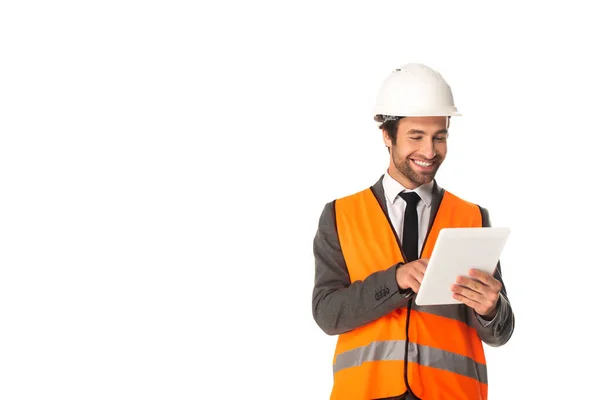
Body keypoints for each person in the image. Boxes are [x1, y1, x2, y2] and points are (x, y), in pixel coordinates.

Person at [311, 63, 515, 400]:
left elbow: (500, 332)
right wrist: (396, 280)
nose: (430, 151)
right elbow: (327, 314)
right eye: (416, 137)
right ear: (387, 137)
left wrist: (492, 309)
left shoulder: (472, 216)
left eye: (439, 137)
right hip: (366, 393)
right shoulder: (340, 216)